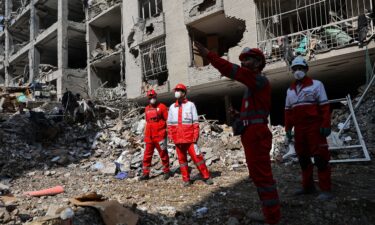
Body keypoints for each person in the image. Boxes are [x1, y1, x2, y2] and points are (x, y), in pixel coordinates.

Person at [194, 42, 280, 224]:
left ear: (258, 63)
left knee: (263, 177)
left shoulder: (259, 80)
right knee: (257, 175)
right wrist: (239, 116)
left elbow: (230, 70)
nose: (243, 63)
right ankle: (268, 213)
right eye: (243, 60)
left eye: (247, 59)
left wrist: (210, 55)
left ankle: (273, 218)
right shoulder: (251, 87)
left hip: (257, 134)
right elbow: (256, 111)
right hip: (250, 133)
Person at [284, 56, 333, 201]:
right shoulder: (290, 91)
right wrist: (288, 129)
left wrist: (325, 124)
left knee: (320, 158)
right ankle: (308, 187)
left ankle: (326, 190)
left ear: (306, 69)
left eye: (300, 68)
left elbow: (324, 107)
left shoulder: (317, 85)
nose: (298, 71)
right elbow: (288, 111)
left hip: (315, 128)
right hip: (300, 129)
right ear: (292, 71)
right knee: (303, 159)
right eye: (295, 69)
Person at [167, 83, 213, 187]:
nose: (176, 92)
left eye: (178, 90)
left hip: (190, 138)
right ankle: (186, 180)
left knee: (198, 158)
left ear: (183, 93)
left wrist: (195, 137)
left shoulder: (190, 105)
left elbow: (195, 123)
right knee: (182, 161)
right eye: (176, 90)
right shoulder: (172, 107)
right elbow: (169, 124)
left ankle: (206, 177)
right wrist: (170, 136)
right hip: (178, 139)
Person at [140, 90, 171, 180]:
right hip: (149, 136)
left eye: (153, 97)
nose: (152, 99)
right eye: (150, 98)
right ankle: (145, 174)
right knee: (147, 155)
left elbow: (167, 120)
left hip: (160, 135)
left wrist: (168, 133)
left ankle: (166, 171)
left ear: (156, 97)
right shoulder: (146, 108)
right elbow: (147, 121)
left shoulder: (162, 107)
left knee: (163, 154)